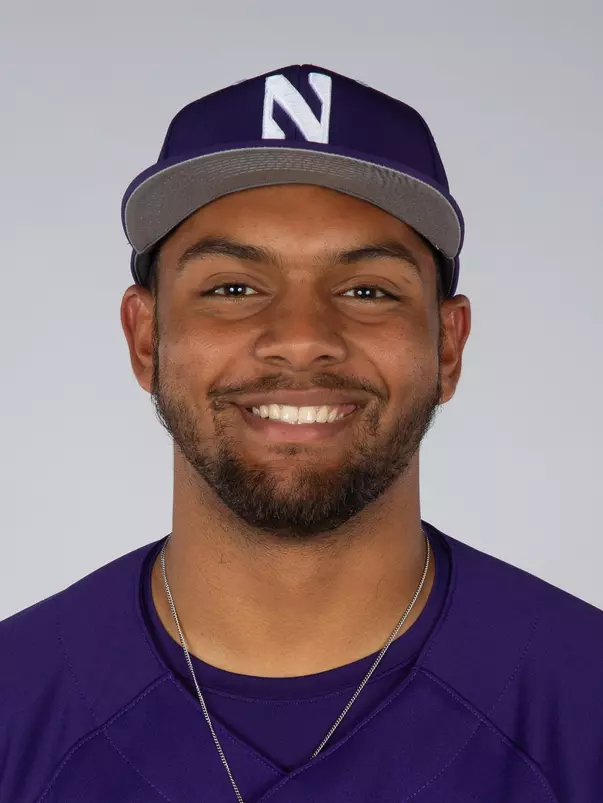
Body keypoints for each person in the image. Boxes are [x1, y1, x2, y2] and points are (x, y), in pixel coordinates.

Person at [1, 64, 602, 803]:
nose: (300, 338)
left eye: (365, 291)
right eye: (231, 288)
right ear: (146, 338)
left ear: (447, 347)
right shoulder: (15, 705)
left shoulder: (584, 703)